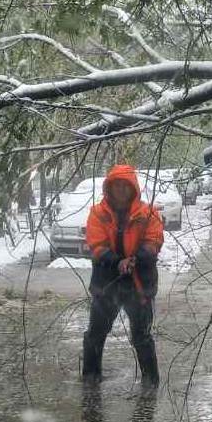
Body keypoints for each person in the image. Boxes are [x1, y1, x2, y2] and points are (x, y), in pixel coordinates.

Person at [82, 164, 164, 386]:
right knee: (95, 335)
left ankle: (150, 383)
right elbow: (96, 245)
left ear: (133, 188)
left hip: (139, 285)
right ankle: (90, 380)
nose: (120, 190)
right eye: (115, 185)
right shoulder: (97, 213)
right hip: (107, 284)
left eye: (124, 185)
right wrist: (118, 262)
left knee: (142, 337)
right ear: (108, 188)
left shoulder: (149, 214)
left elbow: (154, 241)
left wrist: (136, 259)